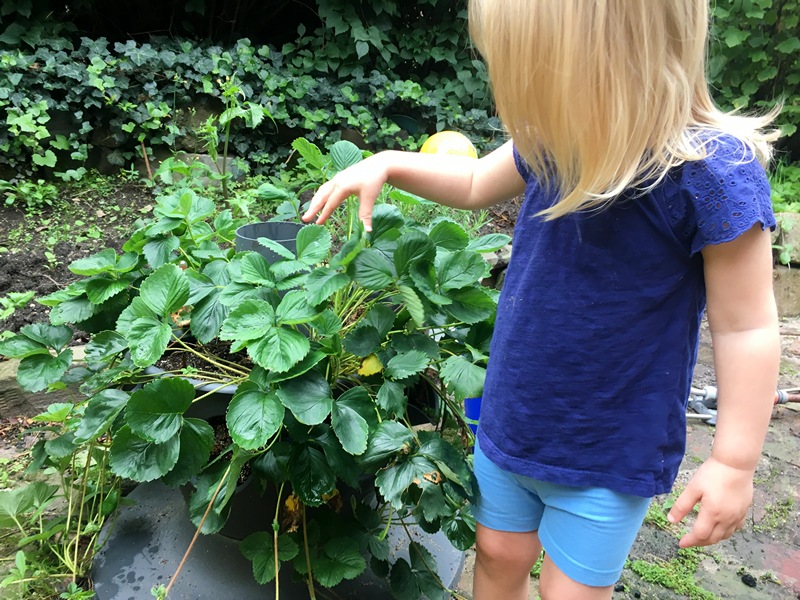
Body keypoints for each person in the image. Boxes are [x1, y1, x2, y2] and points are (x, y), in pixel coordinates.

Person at [302, 1, 781, 598]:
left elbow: (748, 328)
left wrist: (733, 463)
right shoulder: (557, 138)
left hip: (608, 448)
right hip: (516, 416)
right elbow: (476, 182)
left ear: (610, 62)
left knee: (570, 592)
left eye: (528, 73)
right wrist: (388, 163)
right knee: (498, 555)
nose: (515, 100)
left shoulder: (713, 174)